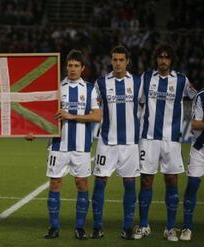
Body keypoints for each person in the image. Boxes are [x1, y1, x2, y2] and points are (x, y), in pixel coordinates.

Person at [134, 44, 196, 241]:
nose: (163, 60)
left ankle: (170, 228)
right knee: (145, 180)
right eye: (160, 57)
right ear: (156, 59)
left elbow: (197, 98)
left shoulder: (181, 80)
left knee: (172, 181)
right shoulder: (146, 78)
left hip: (172, 140)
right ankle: (143, 225)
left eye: (167, 57)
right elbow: (137, 101)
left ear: (171, 60)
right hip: (149, 139)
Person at [43, 49, 101, 240]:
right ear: (65, 67)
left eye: (77, 66)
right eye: (70, 65)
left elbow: (97, 116)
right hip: (58, 145)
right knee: (55, 183)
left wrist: (72, 116)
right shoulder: (56, 87)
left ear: (82, 68)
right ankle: (53, 228)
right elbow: (43, 114)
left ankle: (79, 228)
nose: (73, 69)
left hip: (82, 147)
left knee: (82, 183)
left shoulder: (90, 89)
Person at [91, 45, 142, 240]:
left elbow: (147, 105)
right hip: (107, 142)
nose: (118, 63)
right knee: (100, 183)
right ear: (111, 61)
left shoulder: (137, 83)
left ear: (127, 61)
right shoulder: (101, 83)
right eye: (115, 60)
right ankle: (97, 227)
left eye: (122, 60)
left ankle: (127, 228)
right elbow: (94, 107)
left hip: (130, 144)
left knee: (129, 184)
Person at [180, 82, 204, 241]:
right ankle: (187, 227)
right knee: (193, 185)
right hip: (200, 147)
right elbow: (194, 123)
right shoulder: (201, 96)